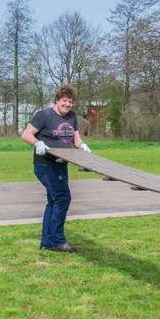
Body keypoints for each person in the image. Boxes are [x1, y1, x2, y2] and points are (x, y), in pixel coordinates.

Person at [21, 84, 91, 253]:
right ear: (57, 100)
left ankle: (47, 241)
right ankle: (58, 240)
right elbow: (26, 134)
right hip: (45, 165)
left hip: (61, 164)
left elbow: (75, 138)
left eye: (71, 102)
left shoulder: (72, 117)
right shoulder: (44, 115)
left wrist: (82, 146)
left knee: (54, 200)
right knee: (62, 198)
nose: (68, 105)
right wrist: (37, 143)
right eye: (65, 101)